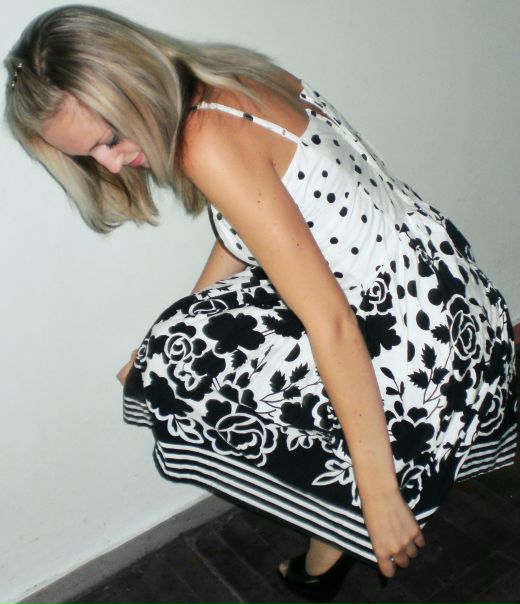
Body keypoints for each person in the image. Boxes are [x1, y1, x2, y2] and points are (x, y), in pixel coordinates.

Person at [5, 5, 517, 601]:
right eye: (88, 156)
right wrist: (176, 324)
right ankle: (338, 530)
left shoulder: (206, 142)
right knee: (178, 341)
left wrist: (380, 495)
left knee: (195, 372)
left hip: (402, 323)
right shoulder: (234, 75)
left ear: (135, 84)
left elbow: (331, 322)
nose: (111, 163)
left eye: (111, 139)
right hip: (436, 277)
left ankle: (346, 521)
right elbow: (248, 228)